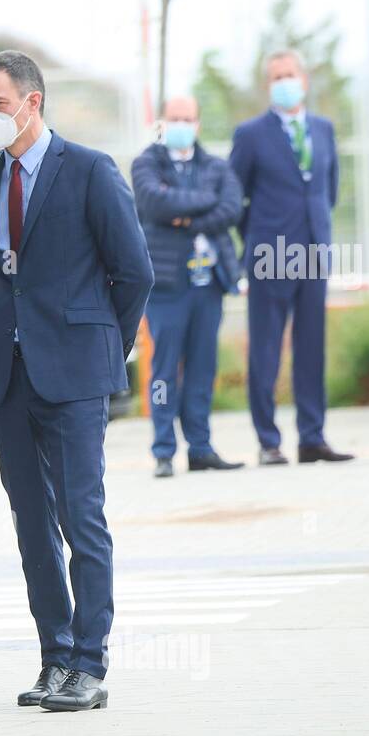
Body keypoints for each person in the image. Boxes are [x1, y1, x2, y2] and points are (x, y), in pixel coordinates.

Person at [0, 51, 154, 713]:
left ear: (32, 100)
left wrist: (103, 348)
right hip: (8, 373)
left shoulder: (92, 171)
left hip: (74, 374)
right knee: (31, 523)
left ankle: (88, 664)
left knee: (81, 517)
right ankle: (54, 655)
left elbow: (134, 275)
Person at [230, 50, 353, 465]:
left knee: (311, 347)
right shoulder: (251, 135)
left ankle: (312, 437)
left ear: (304, 79)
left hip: (313, 250)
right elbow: (235, 196)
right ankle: (268, 441)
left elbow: (328, 189)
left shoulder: (323, 128)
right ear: (269, 85)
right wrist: (258, 237)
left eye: (290, 74)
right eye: (276, 76)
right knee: (266, 348)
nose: (284, 82)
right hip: (269, 254)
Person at [132, 95, 245, 478]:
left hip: (207, 285)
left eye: (188, 119)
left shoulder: (215, 165)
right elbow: (154, 204)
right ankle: (164, 449)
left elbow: (231, 207)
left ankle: (201, 447)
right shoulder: (147, 163)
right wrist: (201, 205)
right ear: (163, 122)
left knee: (201, 369)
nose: (182, 125)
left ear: (198, 124)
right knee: (163, 370)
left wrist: (185, 218)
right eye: (174, 118)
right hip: (166, 286)